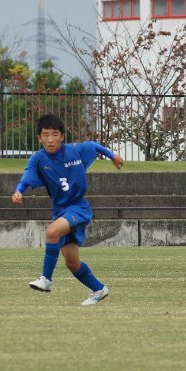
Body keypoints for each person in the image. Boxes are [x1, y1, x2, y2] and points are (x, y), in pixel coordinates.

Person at [11, 113, 124, 305]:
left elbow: (93, 146)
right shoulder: (37, 159)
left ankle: (46, 280)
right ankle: (99, 289)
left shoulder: (75, 151)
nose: (50, 139)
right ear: (39, 138)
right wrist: (18, 191)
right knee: (72, 263)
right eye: (46, 135)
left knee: (52, 232)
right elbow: (27, 176)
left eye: (55, 134)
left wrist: (112, 156)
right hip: (60, 212)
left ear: (62, 136)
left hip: (78, 208)